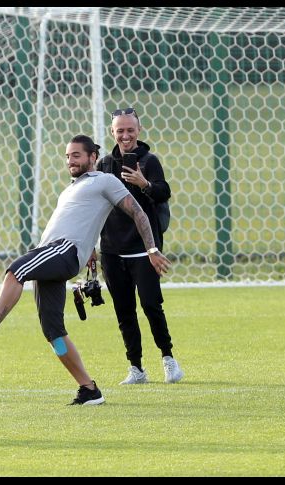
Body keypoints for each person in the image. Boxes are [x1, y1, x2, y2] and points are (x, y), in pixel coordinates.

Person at [0, 135, 171, 405]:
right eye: (68, 156)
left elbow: (138, 212)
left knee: (15, 271)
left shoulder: (105, 180)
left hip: (63, 250)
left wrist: (151, 249)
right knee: (53, 332)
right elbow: (87, 220)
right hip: (54, 254)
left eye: (77, 155)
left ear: (93, 157)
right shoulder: (71, 189)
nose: (71, 160)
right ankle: (89, 389)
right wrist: (91, 252)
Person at [95, 107, 183, 385]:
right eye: (120, 130)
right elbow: (96, 206)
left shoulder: (150, 160)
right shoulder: (105, 164)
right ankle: (136, 367)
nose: (125, 135)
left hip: (145, 250)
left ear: (139, 131)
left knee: (151, 305)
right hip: (112, 250)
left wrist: (144, 183)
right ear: (112, 133)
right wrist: (92, 248)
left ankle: (169, 359)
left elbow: (163, 192)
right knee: (124, 310)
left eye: (130, 129)